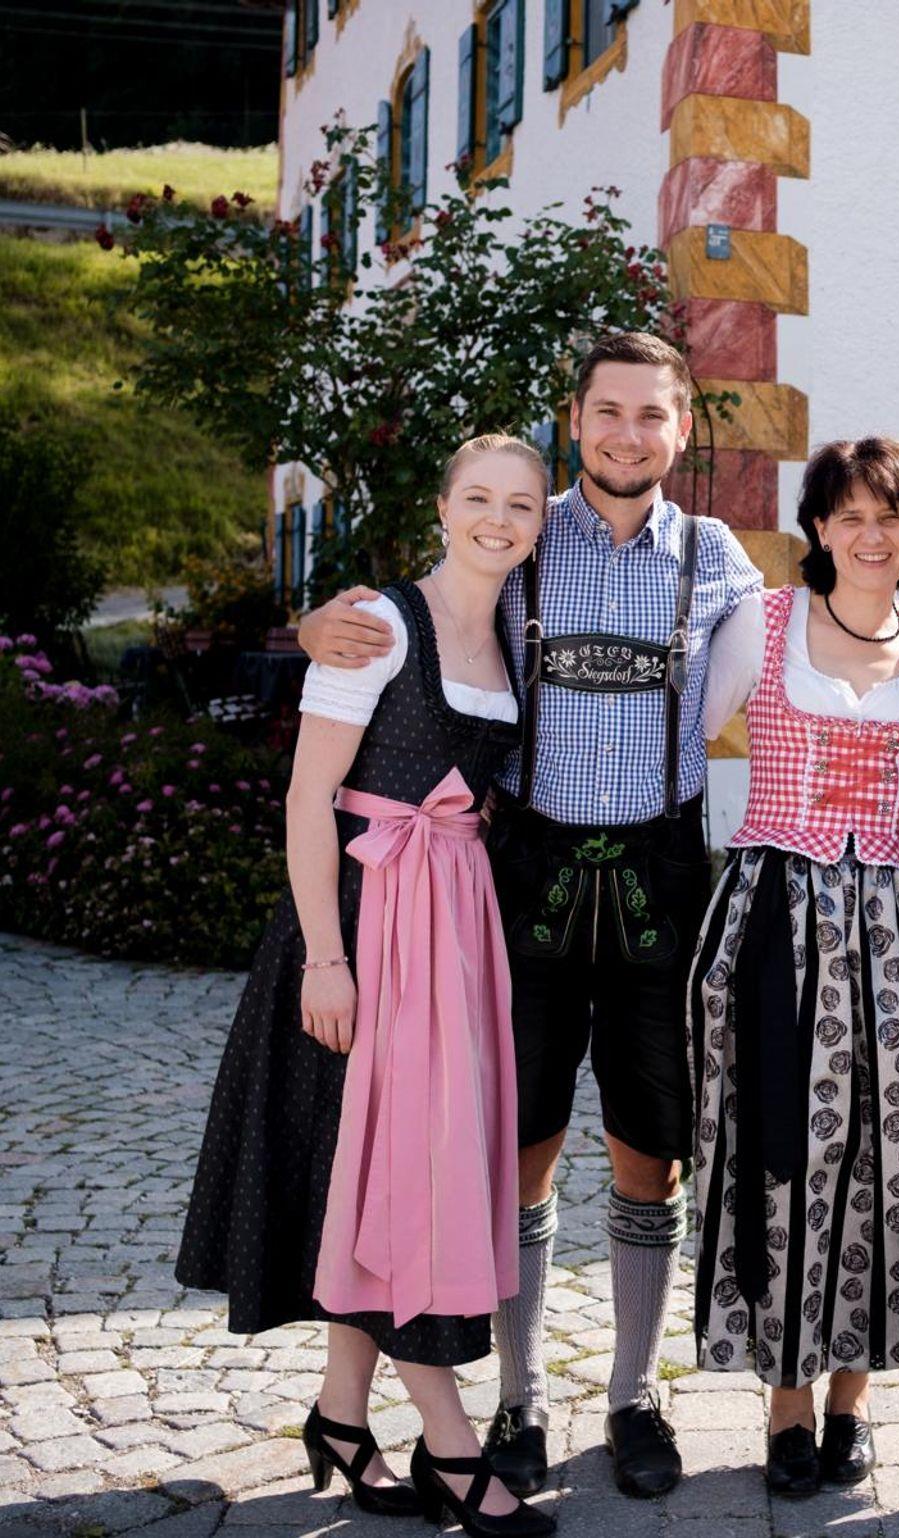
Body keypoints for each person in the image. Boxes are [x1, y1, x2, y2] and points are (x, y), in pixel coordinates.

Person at [294, 332, 763, 1500]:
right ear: (576, 417)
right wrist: (318, 624)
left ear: (681, 427)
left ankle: (632, 1390)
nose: (627, 434)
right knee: (515, 1143)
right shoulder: (523, 532)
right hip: (522, 877)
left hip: (660, 876)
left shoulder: (716, 558)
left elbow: (829, 631)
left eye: (650, 414)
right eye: (608, 410)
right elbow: (417, 613)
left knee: (651, 1155)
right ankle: (519, 1395)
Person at [179, 436, 554, 1537]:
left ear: (540, 524)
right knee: (402, 1181)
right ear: (441, 507)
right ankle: (450, 1444)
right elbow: (309, 798)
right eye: (477, 497)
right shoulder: (380, 624)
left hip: (452, 928)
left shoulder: (513, 633)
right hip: (364, 924)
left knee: (388, 1177)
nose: (497, 519)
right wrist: (326, 960)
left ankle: (342, 1415)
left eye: (520, 504)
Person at [689, 437, 899, 1495]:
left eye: (891, 517)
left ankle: (851, 1400)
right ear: (819, 527)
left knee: (889, 1153)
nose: (871, 535)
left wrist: (889, 845)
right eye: (850, 516)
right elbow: (687, 732)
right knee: (782, 1146)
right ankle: (784, 1401)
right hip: (775, 911)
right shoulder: (765, 622)